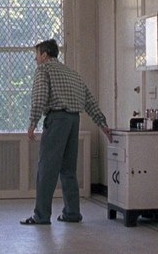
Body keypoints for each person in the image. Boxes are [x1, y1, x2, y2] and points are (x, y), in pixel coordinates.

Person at [21, 39, 112, 225]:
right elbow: (89, 101)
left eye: (36, 55)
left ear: (44, 55)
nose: (35, 59)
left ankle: (41, 215)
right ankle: (72, 213)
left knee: (47, 169)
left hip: (57, 120)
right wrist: (102, 124)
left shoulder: (44, 70)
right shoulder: (72, 73)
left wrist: (32, 123)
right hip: (73, 120)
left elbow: (39, 97)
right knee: (68, 169)